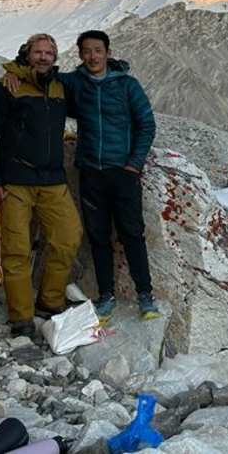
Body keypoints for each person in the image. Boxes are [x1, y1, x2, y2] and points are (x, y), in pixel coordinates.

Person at [0, 33, 83, 338]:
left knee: (68, 237)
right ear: (26, 53)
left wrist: (110, 67)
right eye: (38, 52)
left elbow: (90, 87)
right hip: (15, 181)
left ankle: (49, 302)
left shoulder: (62, 87)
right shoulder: (5, 87)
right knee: (16, 249)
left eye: (50, 52)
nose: (44, 57)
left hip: (52, 180)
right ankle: (21, 317)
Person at [62, 30, 158, 323]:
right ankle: (106, 296)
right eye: (87, 51)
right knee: (98, 236)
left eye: (97, 50)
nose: (92, 56)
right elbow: (42, 75)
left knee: (132, 233)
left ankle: (145, 296)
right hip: (91, 172)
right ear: (80, 54)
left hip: (123, 172)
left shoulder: (127, 85)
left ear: (107, 52)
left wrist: (134, 164)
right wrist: (17, 73)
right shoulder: (75, 83)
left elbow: (146, 124)